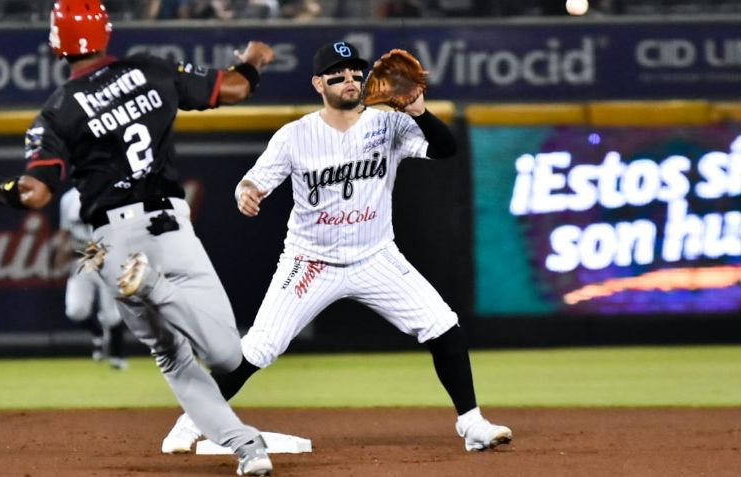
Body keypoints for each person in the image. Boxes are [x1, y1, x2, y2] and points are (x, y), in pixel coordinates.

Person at [0, 0, 277, 474]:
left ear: (55, 44)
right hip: (170, 226)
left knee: (171, 358)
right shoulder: (151, 69)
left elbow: (36, 193)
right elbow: (233, 87)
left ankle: (246, 446)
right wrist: (252, 59)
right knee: (228, 356)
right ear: (105, 33)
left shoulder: (57, 111)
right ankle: (248, 447)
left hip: (109, 243)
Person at [161, 41, 512, 455]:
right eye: (338, 75)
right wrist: (248, 192)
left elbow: (445, 149)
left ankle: (471, 424)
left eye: (355, 73)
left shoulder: (388, 124)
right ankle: (189, 422)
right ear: (317, 83)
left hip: (375, 256)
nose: (349, 80)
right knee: (258, 348)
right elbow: (253, 180)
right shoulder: (295, 135)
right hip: (311, 261)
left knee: (442, 325)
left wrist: (418, 110)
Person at [54, 187, 128, 370]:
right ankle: (99, 334)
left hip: (107, 257)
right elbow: (65, 230)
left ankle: (117, 357)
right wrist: (60, 254)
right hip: (81, 257)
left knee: (111, 315)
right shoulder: (69, 198)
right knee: (75, 310)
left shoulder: (110, 191)